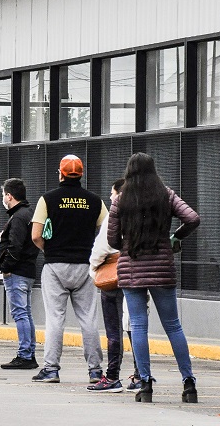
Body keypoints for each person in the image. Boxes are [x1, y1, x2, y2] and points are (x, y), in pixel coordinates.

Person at [109, 152, 200, 403]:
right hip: (162, 267)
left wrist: (127, 245)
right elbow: (192, 218)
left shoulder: (120, 201)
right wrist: (175, 237)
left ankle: (146, 384)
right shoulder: (166, 194)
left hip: (132, 268)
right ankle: (189, 383)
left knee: (138, 325)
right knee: (173, 325)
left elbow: (112, 239)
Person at [30, 155, 106, 383]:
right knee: (89, 319)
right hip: (86, 265)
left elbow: (35, 234)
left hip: (55, 265)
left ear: (61, 173)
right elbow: (107, 233)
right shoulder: (95, 201)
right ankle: (95, 370)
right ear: (81, 174)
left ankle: (51, 369)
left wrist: (49, 249)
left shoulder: (48, 200)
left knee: (55, 319)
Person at [86, 179, 127, 391]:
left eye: (112, 194)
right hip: (139, 274)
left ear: (119, 194)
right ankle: (140, 376)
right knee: (135, 326)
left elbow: (102, 247)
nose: (110, 198)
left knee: (113, 330)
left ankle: (112, 376)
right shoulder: (145, 213)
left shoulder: (115, 215)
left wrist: (93, 272)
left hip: (113, 275)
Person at [0, 178, 40, 370]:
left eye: (3, 195)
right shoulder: (28, 213)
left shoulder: (19, 217)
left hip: (17, 271)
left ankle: (25, 354)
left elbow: (15, 245)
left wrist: (6, 267)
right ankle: (28, 352)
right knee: (25, 312)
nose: (3, 199)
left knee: (20, 313)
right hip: (28, 270)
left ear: (9, 195)